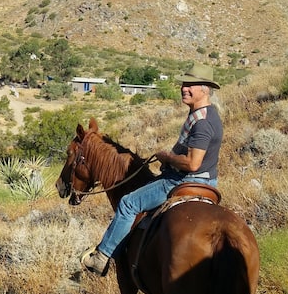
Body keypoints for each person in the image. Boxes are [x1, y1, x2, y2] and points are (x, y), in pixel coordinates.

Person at [81, 64, 224, 275]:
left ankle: (102, 257)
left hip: (184, 180)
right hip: (209, 182)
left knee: (128, 203)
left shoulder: (201, 122)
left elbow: (193, 163)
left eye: (191, 85)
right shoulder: (210, 114)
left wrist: (167, 157)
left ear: (205, 89)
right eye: (184, 84)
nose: (185, 88)